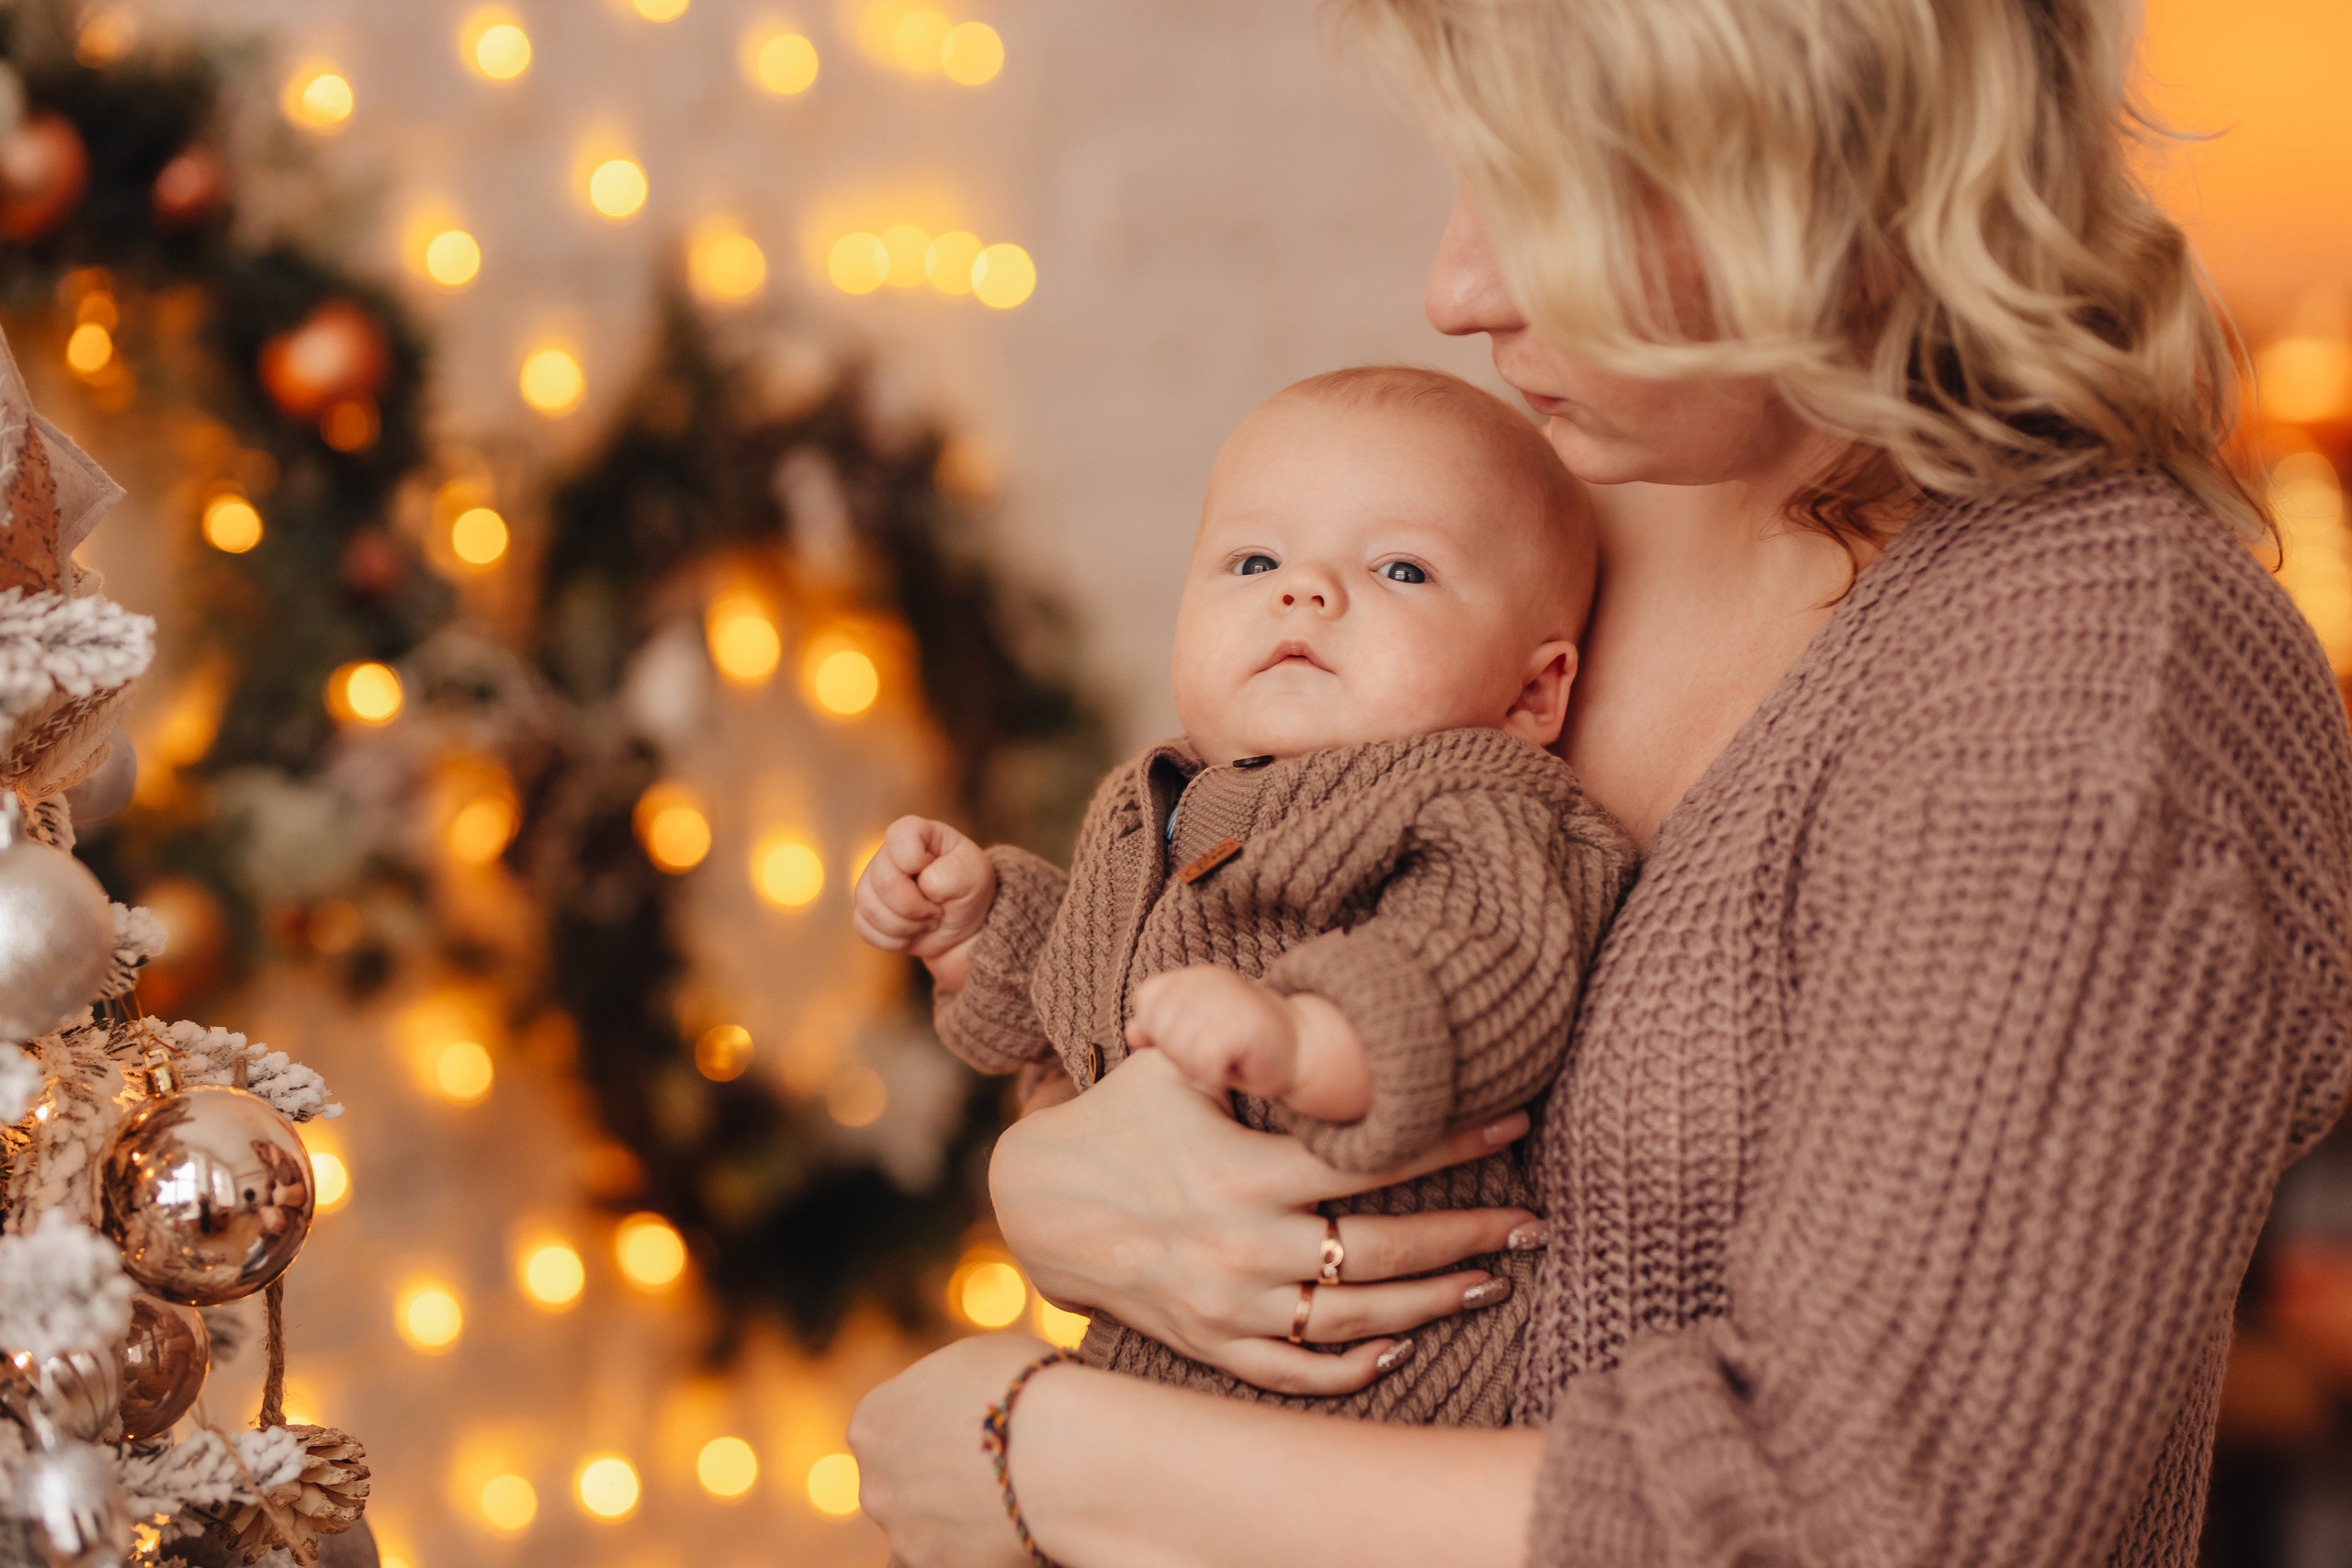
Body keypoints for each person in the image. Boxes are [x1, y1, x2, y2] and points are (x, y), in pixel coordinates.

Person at [848, 0, 2352, 1562]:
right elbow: (1205, 954)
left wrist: (1058, 1459)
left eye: (1559, 198)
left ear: (1843, 168)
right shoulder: (1537, 520)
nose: (1454, 290)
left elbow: (1881, 1519)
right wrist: (1054, 1174)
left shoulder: (2094, 663)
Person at [854, 366, 1637, 1427]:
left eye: (1401, 569)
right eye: (1254, 559)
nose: (1303, 590)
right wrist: (983, 929)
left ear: (1533, 692)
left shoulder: (1474, 797)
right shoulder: (1165, 805)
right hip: (1165, 1376)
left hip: (1382, 1396)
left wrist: (1308, 1036)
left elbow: (1488, 959)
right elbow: (1082, 1014)